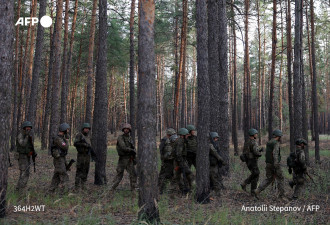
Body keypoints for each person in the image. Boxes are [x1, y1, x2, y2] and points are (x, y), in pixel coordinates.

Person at [254, 129, 287, 201]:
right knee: (281, 178)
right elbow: (275, 154)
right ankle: (282, 196)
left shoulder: (269, 142)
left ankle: (257, 190)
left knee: (269, 179)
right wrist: (276, 164)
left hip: (268, 164)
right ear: (278, 136)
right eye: (280, 136)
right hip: (274, 164)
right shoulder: (276, 143)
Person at [110, 123, 137, 192]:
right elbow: (123, 147)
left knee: (133, 174)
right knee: (119, 175)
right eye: (125, 129)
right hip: (123, 159)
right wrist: (131, 150)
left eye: (127, 129)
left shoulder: (130, 138)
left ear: (129, 130)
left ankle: (133, 189)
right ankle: (111, 189)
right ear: (123, 130)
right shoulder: (120, 137)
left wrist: (134, 155)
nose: (126, 130)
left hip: (129, 159)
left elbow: (133, 148)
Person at [240, 129, 263, 195]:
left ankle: (253, 192)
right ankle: (245, 183)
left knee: (255, 175)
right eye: (256, 134)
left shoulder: (247, 142)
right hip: (252, 160)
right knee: (256, 173)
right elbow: (255, 152)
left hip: (248, 160)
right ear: (253, 135)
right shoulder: (253, 142)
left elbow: (249, 150)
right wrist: (260, 154)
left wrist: (259, 149)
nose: (256, 135)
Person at [49, 123, 70, 193]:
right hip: (58, 160)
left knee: (57, 176)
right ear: (64, 130)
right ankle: (64, 192)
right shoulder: (58, 139)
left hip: (61, 159)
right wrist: (67, 140)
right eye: (67, 130)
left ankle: (51, 191)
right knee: (64, 175)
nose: (68, 131)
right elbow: (65, 146)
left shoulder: (61, 138)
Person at [15, 121, 36, 192]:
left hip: (27, 156)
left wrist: (33, 153)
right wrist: (27, 136)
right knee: (24, 173)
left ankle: (20, 188)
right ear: (24, 128)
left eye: (30, 128)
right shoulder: (20, 135)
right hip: (22, 157)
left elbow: (30, 146)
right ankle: (20, 189)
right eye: (27, 128)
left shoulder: (28, 136)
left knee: (26, 172)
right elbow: (23, 144)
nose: (29, 129)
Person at [173, 128, 194, 195]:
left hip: (180, 161)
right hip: (179, 161)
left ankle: (185, 189)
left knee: (179, 176)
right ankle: (186, 189)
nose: (188, 136)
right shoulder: (180, 142)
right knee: (188, 173)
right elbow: (178, 153)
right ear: (183, 135)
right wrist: (181, 162)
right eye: (186, 135)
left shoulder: (182, 141)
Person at [74, 123, 92, 191]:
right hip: (81, 155)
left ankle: (83, 184)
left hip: (87, 155)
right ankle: (77, 186)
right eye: (86, 128)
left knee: (86, 170)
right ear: (83, 129)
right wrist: (84, 144)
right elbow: (75, 143)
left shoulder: (88, 137)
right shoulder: (79, 135)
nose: (87, 130)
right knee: (79, 170)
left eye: (88, 129)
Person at [158, 128, 176, 194]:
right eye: (171, 134)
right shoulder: (164, 140)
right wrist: (163, 158)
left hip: (172, 161)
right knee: (163, 175)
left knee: (172, 175)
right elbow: (161, 150)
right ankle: (160, 189)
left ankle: (172, 190)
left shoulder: (175, 140)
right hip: (166, 161)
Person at [209, 132, 226, 196]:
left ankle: (216, 190)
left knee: (217, 177)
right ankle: (218, 192)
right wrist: (221, 160)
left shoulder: (216, 145)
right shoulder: (210, 145)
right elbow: (215, 153)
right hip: (211, 165)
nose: (216, 139)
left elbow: (218, 153)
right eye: (215, 138)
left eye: (217, 138)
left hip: (215, 164)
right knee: (214, 178)